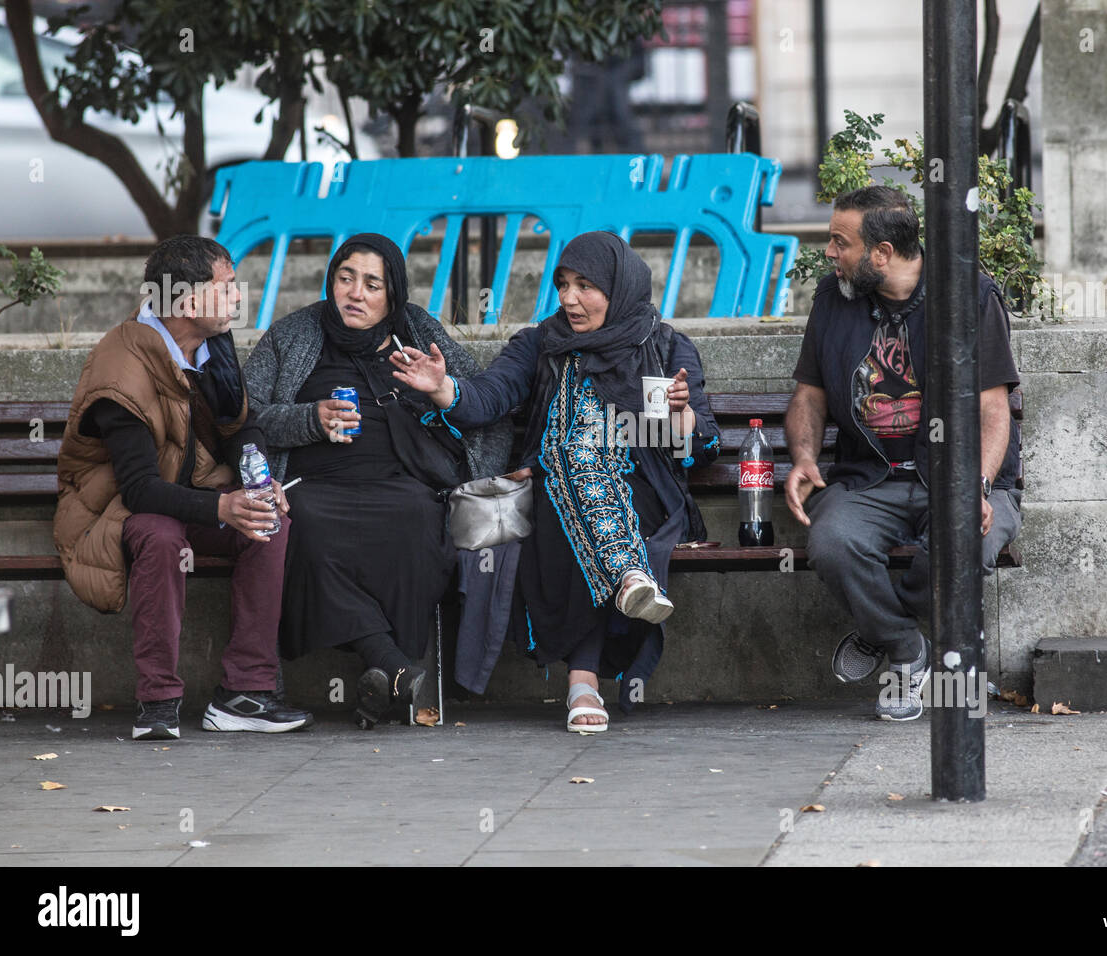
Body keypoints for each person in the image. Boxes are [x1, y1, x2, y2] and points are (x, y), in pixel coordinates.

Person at [389, 231, 720, 733]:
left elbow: (701, 447)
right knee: (564, 467)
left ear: (618, 286)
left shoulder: (666, 345)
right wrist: (443, 387)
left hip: (643, 494)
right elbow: (490, 398)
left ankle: (582, 683)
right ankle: (628, 577)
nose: (569, 299)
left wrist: (681, 418)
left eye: (585, 286)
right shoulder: (543, 343)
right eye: (563, 284)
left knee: (565, 459)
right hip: (558, 498)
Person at [243, 233, 511, 729]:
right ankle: (395, 667)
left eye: (371, 284)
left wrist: (440, 391)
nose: (355, 293)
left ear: (393, 293)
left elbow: (478, 402)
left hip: (400, 482)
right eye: (346, 278)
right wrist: (309, 419)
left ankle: (385, 674)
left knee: (416, 520)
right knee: (310, 529)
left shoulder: (417, 330)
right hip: (315, 487)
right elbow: (248, 419)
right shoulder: (293, 334)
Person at [53, 235, 312, 741]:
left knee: (267, 524)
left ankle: (244, 695)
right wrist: (221, 505)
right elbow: (141, 490)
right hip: (115, 507)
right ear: (190, 302)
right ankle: (157, 701)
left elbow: (239, 424)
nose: (239, 297)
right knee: (162, 537)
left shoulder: (213, 341)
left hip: (193, 490)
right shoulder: (120, 371)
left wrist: (259, 484)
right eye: (229, 286)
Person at [783, 186, 1022, 721]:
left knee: (965, 543)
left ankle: (879, 630)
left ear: (882, 253)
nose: (829, 253)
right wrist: (803, 456)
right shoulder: (832, 300)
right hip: (869, 478)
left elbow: (992, 409)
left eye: (840, 243)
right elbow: (810, 394)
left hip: (960, 476)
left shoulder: (969, 296)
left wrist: (978, 486)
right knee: (833, 542)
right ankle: (906, 650)